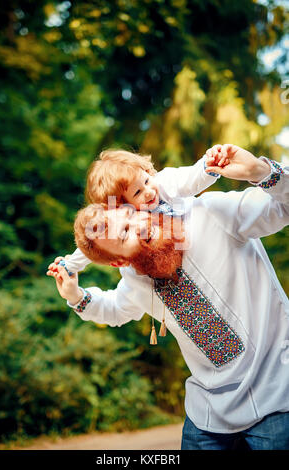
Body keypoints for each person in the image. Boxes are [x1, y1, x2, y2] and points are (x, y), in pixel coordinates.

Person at [47, 144, 289, 450]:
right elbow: (113, 309)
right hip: (209, 416)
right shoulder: (136, 279)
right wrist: (76, 296)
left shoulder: (210, 214)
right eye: (125, 223)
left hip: (278, 397)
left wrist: (262, 172)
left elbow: (284, 207)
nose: (140, 221)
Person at [58, 148, 225, 275]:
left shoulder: (163, 183)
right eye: (137, 193)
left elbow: (189, 179)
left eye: (146, 180)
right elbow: (92, 248)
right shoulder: (133, 222)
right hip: (179, 261)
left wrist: (208, 166)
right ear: (121, 206)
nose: (149, 192)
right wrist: (69, 266)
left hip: (205, 236)